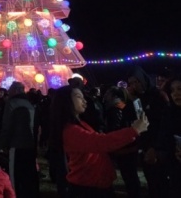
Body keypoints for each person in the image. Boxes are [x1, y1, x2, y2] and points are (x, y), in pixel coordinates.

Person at [49, 85, 149, 197]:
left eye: (83, 97)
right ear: (66, 101)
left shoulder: (79, 124)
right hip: (87, 187)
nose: (84, 100)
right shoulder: (71, 130)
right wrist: (133, 131)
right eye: (78, 96)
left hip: (93, 184)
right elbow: (101, 142)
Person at [127, 66, 169, 197]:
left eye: (137, 81)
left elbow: (164, 123)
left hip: (158, 147)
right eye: (132, 83)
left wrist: (155, 147)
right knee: (151, 181)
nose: (135, 85)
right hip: (144, 146)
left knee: (161, 182)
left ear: (143, 80)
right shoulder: (137, 99)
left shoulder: (157, 95)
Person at [0, 81, 38, 198]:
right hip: (30, 145)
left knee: (15, 175)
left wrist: (3, 143)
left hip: (16, 144)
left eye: (10, 89)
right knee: (28, 175)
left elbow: (6, 125)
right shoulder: (30, 104)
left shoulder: (11, 103)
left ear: (15, 91)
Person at [154, 73, 181, 197]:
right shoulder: (169, 114)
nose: (175, 93)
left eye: (179, 89)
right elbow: (163, 139)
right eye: (172, 90)